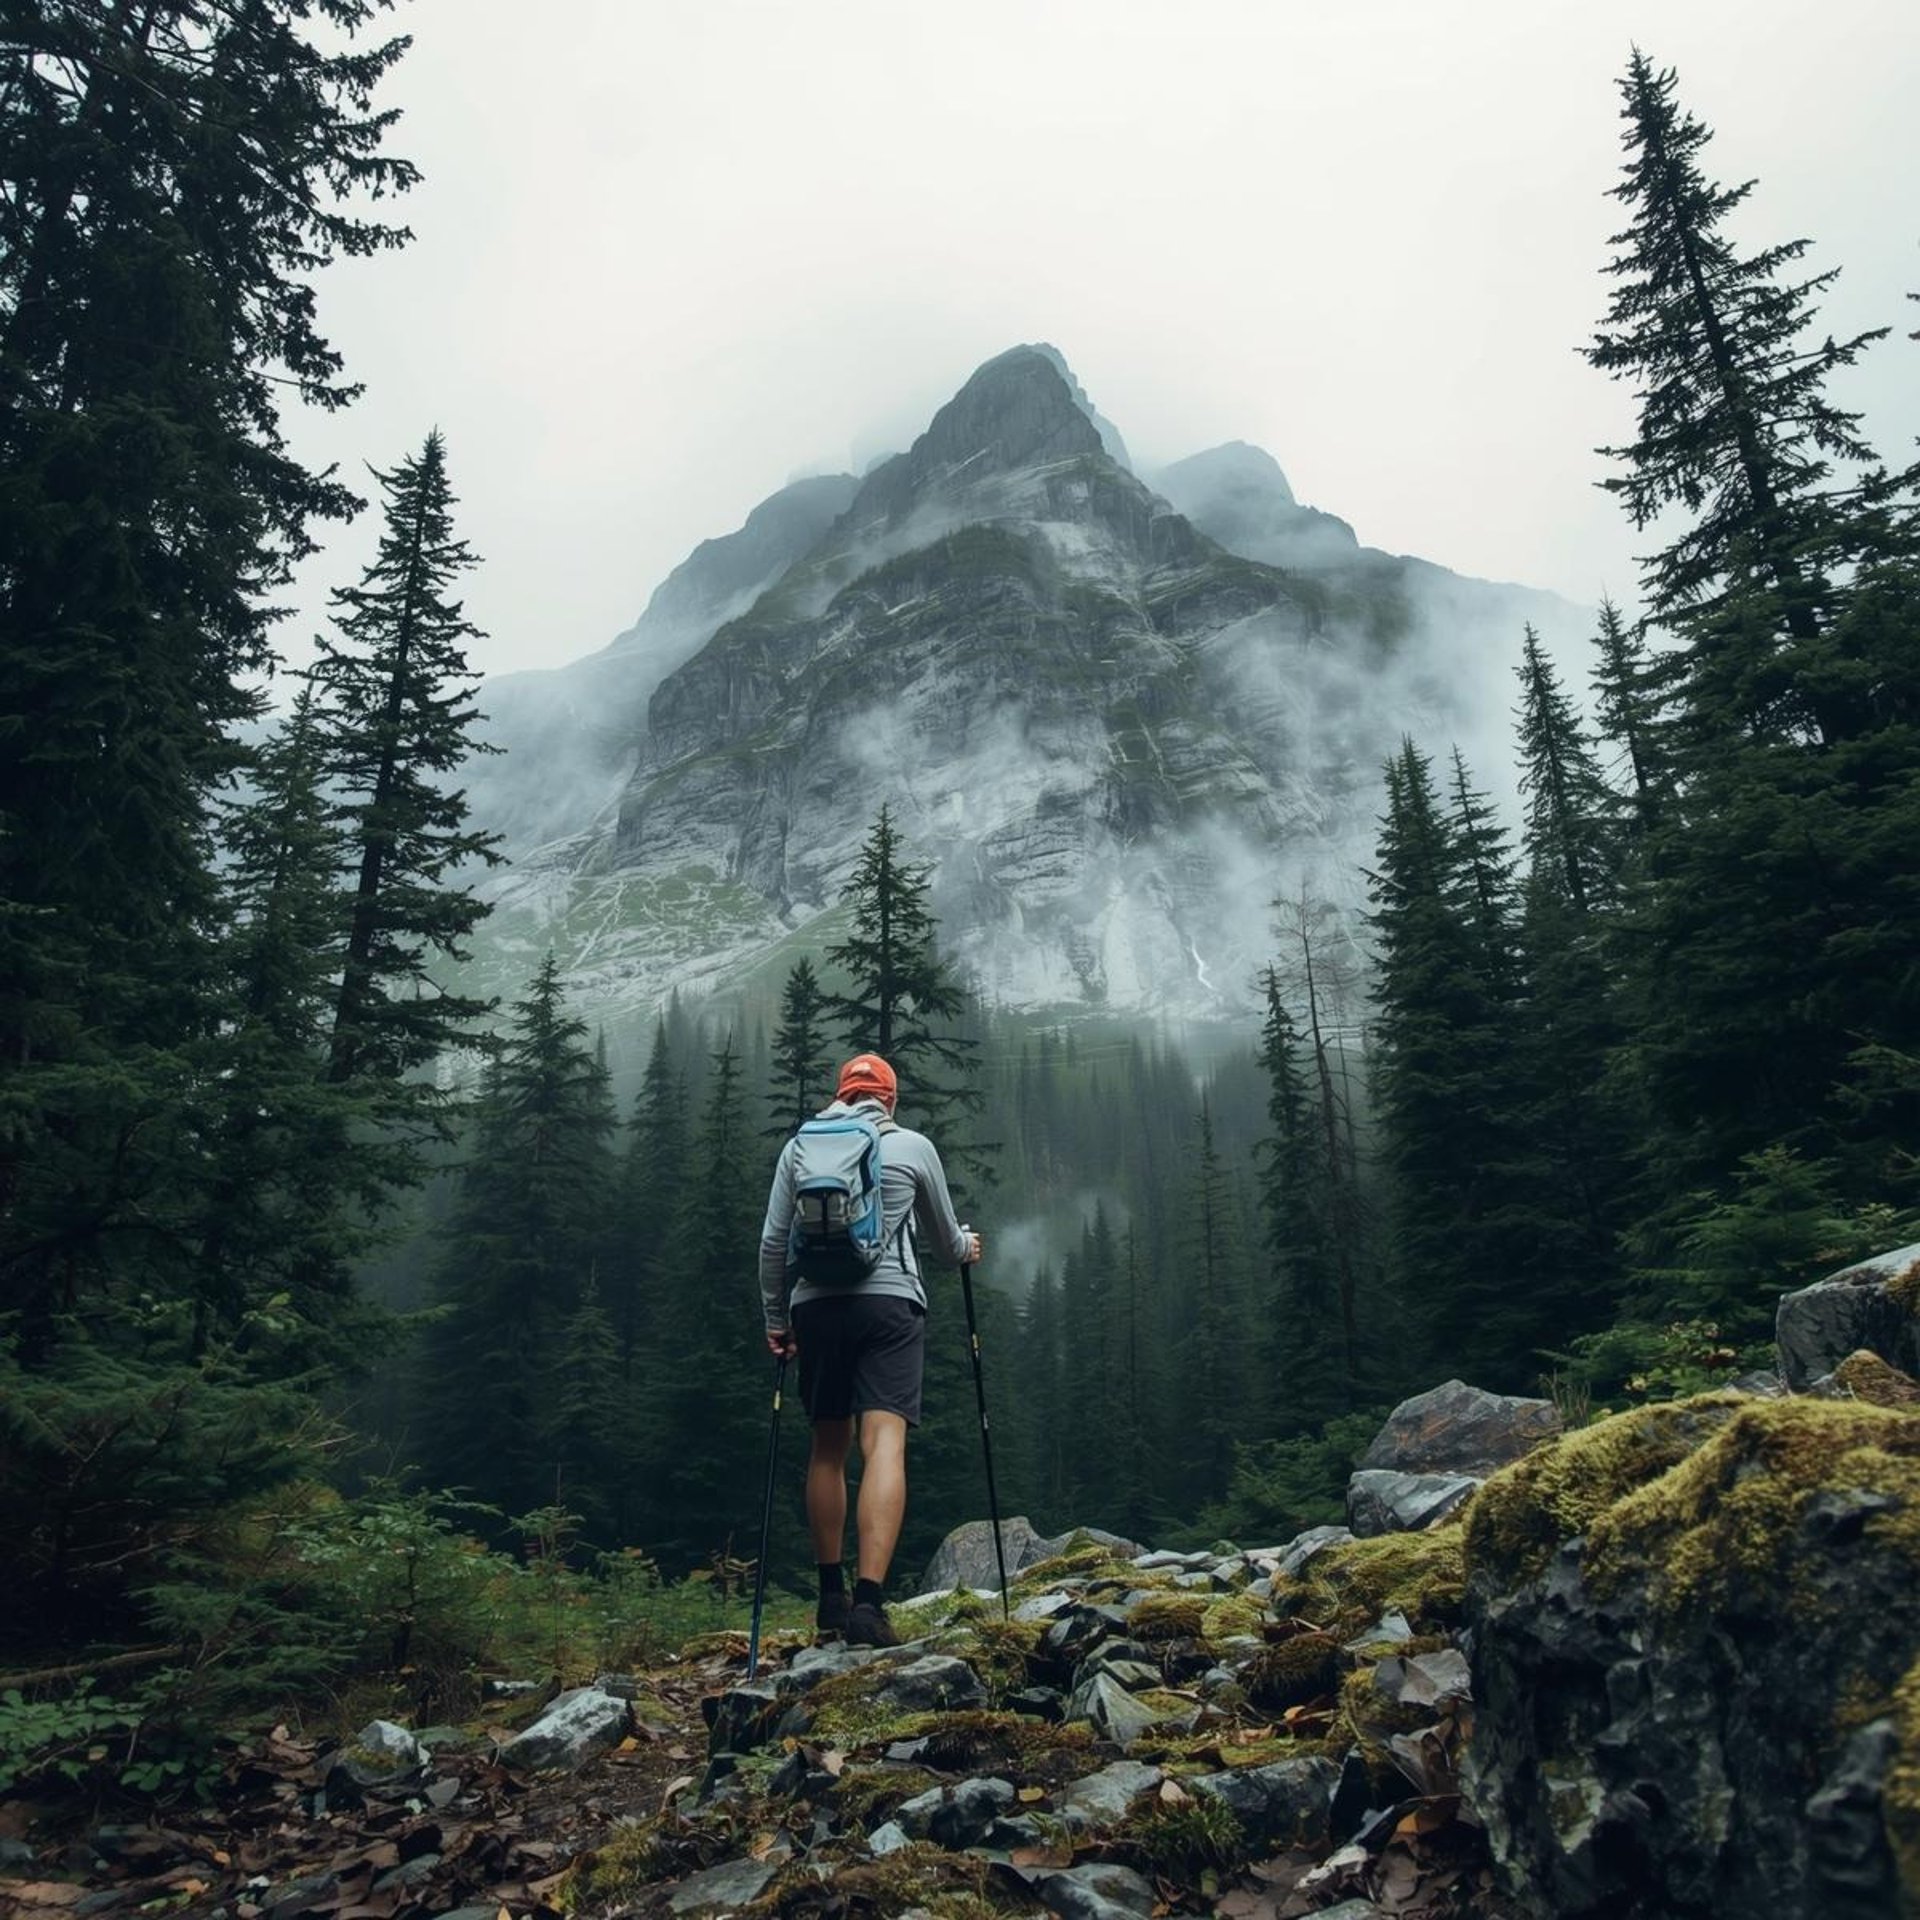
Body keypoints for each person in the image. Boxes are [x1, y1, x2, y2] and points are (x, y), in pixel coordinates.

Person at [758, 1051, 983, 1647]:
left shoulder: (801, 1148)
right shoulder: (913, 1147)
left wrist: (777, 1321)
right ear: (889, 1099)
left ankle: (829, 1600)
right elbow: (944, 1242)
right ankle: (869, 1606)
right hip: (890, 1306)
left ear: (842, 1096)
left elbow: (773, 1244)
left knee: (827, 1446)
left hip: (815, 1306)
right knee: (882, 1443)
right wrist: (967, 1248)